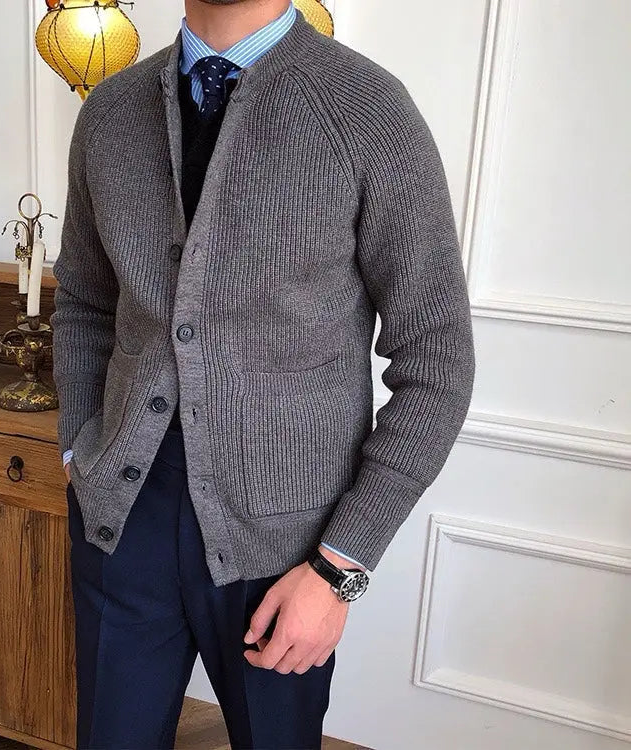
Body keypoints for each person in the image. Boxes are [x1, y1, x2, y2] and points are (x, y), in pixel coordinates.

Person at [50, 1, 476, 747]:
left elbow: (437, 361)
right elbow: (85, 304)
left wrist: (339, 567)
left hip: (289, 549)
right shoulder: (110, 113)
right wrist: (77, 452)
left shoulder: (368, 111)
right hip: (122, 519)